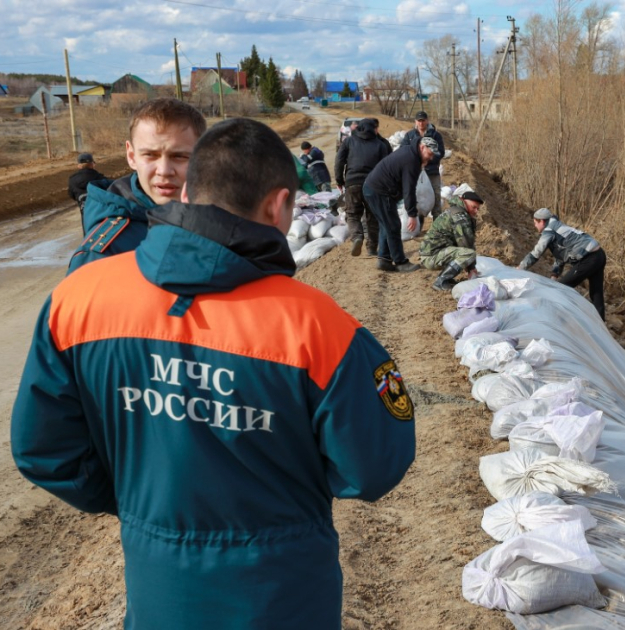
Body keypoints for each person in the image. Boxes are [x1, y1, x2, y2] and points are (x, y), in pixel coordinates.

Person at [11, 117, 416, 630]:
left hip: (158, 590)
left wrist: (143, 503)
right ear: (279, 206)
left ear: (189, 188)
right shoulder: (320, 328)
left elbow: (42, 450)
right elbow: (372, 468)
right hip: (285, 596)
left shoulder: (78, 299)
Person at [67, 98, 205, 274]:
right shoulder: (104, 254)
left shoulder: (225, 223)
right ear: (131, 156)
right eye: (150, 155)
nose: (164, 171)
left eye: (179, 156)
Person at [363, 136, 441, 273]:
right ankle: (400, 262)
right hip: (379, 191)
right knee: (393, 225)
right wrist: (412, 214)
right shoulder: (411, 161)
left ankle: (384, 260)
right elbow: (409, 189)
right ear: (422, 147)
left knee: (386, 224)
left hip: (375, 189)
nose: (431, 158)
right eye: (430, 154)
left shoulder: (411, 153)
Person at [517, 208, 607, 319]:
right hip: (599, 254)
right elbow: (561, 254)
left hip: (589, 258)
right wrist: (554, 275)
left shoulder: (549, 231)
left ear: (542, 221)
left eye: (535, 223)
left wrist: (520, 268)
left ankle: (560, 320)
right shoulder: (558, 227)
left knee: (562, 288)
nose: (535, 226)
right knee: (596, 293)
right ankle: (601, 325)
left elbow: (536, 253)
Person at [334, 119, 390, 257]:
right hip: (373, 184)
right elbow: (387, 166)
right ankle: (371, 249)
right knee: (373, 217)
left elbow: (339, 161)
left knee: (352, 214)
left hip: (353, 182)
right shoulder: (380, 144)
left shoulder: (349, 141)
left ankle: (357, 236)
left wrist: (339, 180)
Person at [419, 190, 483, 290]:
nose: (475, 211)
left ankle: (446, 279)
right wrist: (471, 268)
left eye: (477, 209)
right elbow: (466, 243)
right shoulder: (460, 216)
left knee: (465, 253)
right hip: (431, 257)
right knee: (468, 254)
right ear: (464, 201)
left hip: (434, 253)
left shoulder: (456, 210)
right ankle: (440, 282)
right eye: (473, 207)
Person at [400, 111, 445, 226]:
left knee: (435, 195)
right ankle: (418, 222)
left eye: (423, 120)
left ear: (427, 121)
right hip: (415, 172)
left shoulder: (435, 135)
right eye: (419, 121)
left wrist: (427, 160)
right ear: (415, 122)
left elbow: (440, 152)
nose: (421, 123)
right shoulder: (410, 136)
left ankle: (437, 223)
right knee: (416, 196)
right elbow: (403, 150)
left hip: (432, 171)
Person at [67, 152, 107, 229]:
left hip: (85, 213)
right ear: (92, 164)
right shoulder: (100, 179)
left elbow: (71, 194)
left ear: (79, 166)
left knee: (89, 236)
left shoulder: (72, 180)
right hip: (100, 214)